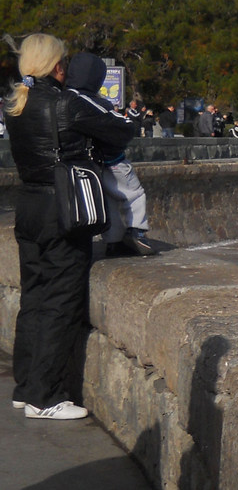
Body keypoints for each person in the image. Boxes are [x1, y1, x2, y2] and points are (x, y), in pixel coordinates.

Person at [6, 34, 139, 420]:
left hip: (28, 205)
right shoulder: (68, 102)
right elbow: (122, 128)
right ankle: (45, 398)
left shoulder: (16, 104)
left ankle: (25, 386)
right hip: (62, 209)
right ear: (56, 66)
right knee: (62, 301)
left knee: (33, 297)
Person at [65, 52, 156, 257]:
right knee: (134, 195)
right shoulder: (88, 101)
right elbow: (122, 126)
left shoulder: (63, 98)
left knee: (109, 202)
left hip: (88, 166)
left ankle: (113, 242)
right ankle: (137, 232)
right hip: (112, 162)